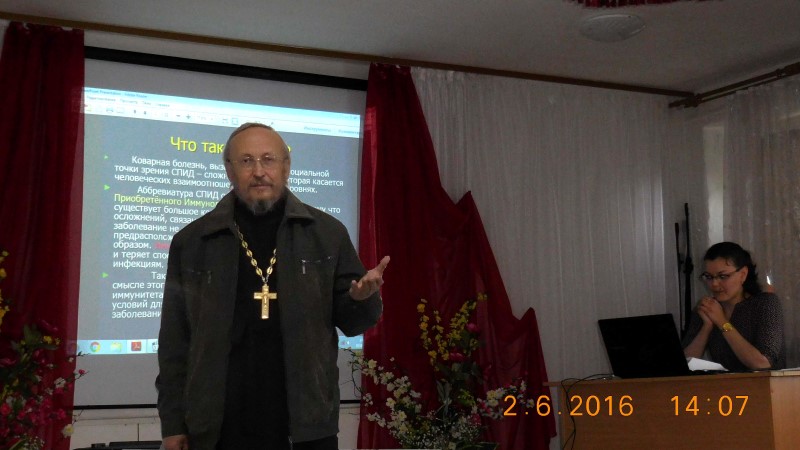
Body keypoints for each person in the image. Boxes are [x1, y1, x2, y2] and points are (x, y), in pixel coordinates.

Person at [156, 123, 389, 450]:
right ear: (229, 170)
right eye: (246, 161)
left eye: (268, 159)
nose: (259, 171)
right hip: (217, 426)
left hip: (305, 425)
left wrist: (361, 298)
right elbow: (174, 341)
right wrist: (173, 423)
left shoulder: (326, 233)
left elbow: (353, 322)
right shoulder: (193, 241)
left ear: (286, 166)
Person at [682, 241, 784, 372]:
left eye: (723, 276)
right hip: (726, 384)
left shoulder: (765, 303)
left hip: (767, 383)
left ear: (743, 274)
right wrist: (706, 327)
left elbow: (762, 363)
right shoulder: (708, 308)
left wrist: (722, 322)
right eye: (708, 276)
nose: (714, 284)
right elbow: (684, 364)